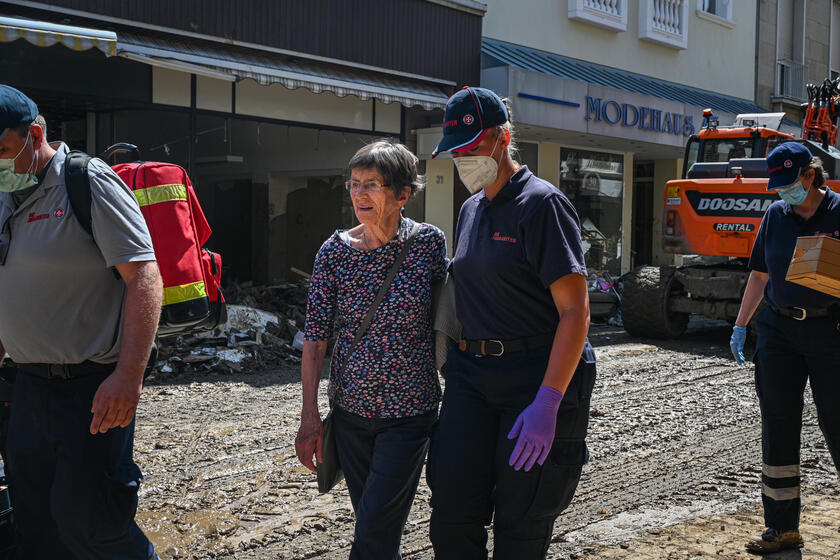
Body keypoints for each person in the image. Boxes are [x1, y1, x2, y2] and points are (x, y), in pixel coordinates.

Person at [426, 86, 596, 559]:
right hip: (471, 378)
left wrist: (548, 401)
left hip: (532, 378)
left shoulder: (541, 206)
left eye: (473, 147)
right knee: (452, 518)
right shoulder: (471, 209)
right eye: (456, 151)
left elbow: (575, 312)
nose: (464, 159)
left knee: (521, 525)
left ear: (503, 138)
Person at [0, 85, 163, 559]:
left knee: (92, 523)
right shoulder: (5, 196)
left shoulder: (86, 181)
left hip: (92, 389)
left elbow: (145, 277)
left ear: (35, 134)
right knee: (35, 524)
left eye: (3, 150)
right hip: (28, 386)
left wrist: (128, 377)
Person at [294, 140, 447, 559]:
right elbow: (315, 340)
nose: (359, 194)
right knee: (373, 526)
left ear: (403, 194)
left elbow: (447, 325)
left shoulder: (429, 245)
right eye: (354, 184)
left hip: (410, 414)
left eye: (372, 185)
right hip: (351, 415)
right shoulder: (335, 253)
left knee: (374, 534)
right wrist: (311, 419)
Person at [730, 142, 840, 554]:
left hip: (831, 332)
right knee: (778, 427)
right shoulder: (775, 216)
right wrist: (741, 325)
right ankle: (782, 529)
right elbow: (759, 275)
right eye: (777, 185)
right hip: (779, 332)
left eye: (788, 183)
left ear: (811, 176)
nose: (782, 192)